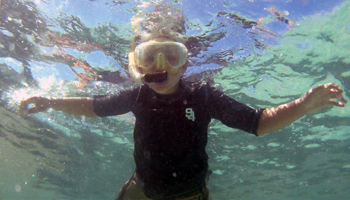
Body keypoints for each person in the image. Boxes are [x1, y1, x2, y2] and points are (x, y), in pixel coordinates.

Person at [19, 5, 347, 200]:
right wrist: (49, 101)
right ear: (138, 64)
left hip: (190, 196)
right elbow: (93, 105)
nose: (160, 64)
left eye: (171, 55)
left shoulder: (203, 96)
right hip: (141, 193)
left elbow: (258, 123)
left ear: (184, 64)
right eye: (149, 55)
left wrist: (303, 105)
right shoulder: (136, 95)